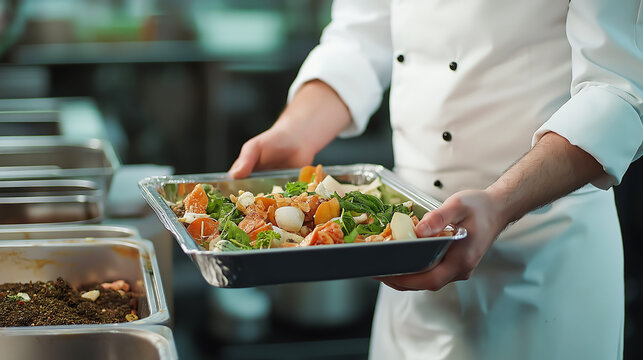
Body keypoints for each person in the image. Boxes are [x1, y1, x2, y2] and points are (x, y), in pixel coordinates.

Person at [228, 0, 643, 359]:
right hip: (407, 253)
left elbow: (619, 92)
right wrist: (295, 133)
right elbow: (357, 39)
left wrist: (501, 202)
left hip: (546, 267)